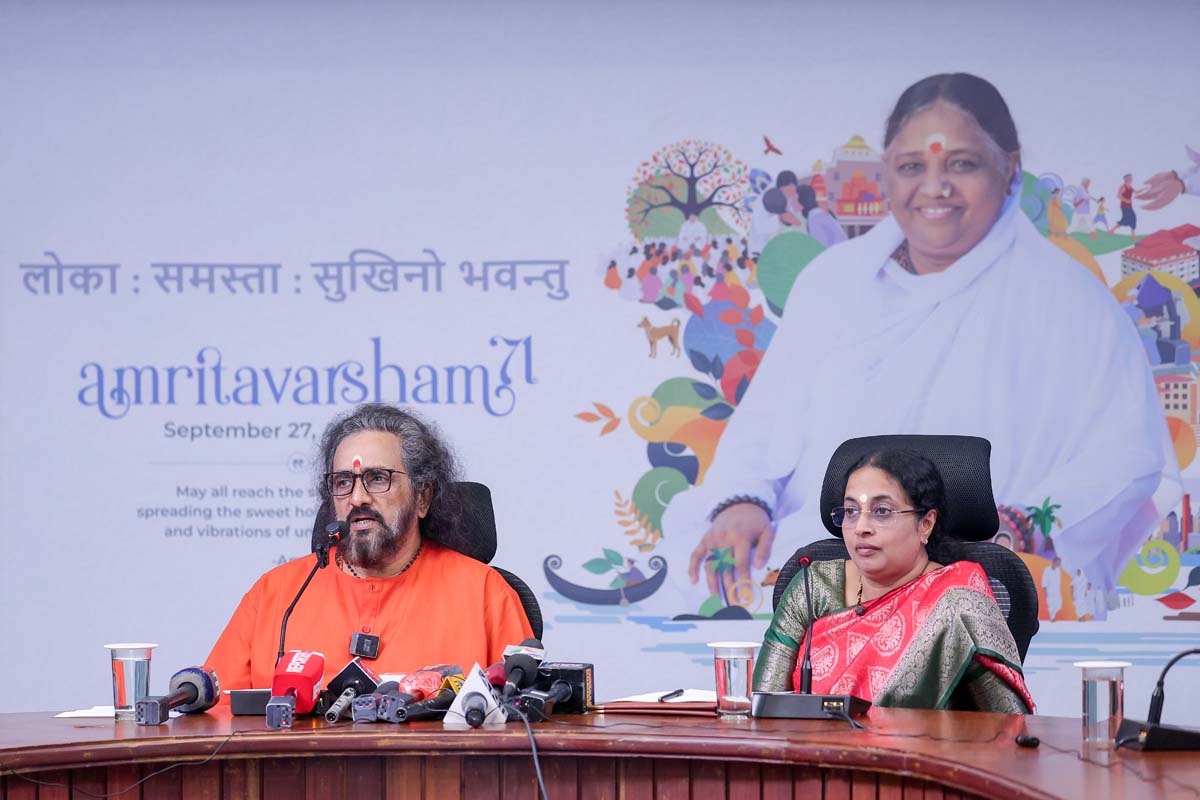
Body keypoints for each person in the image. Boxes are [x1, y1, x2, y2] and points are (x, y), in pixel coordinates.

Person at [661, 73, 1179, 612]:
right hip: (821, 581)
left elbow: (1128, 458)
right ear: (887, 172)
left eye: (962, 164)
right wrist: (742, 503)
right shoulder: (833, 282)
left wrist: (1012, 529)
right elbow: (760, 430)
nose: (935, 187)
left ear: (1010, 167)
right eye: (913, 166)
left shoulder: (1069, 301)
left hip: (977, 591)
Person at [205, 403, 533, 698]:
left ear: (422, 497)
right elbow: (213, 716)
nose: (358, 498)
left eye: (378, 478)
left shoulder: (485, 594)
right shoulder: (276, 596)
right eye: (344, 482)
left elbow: (521, 720)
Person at [753, 449, 1034, 712]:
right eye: (851, 512)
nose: (861, 528)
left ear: (925, 523)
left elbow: (1010, 726)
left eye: (882, 512)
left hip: (925, 760)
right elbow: (765, 707)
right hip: (813, 757)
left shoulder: (958, 601)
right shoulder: (812, 586)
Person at [1109, 173, 1137, 238]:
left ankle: (1111, 230)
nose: (1132, 179)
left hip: (1129, 206)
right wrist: (1126, 200)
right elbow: (1118, 196)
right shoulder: (1123, 187)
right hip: (1124, 206)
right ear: (1127, 179)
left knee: (1130, 218)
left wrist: (1146, 190)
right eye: (1130, 178)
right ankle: (1133, 235)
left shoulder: (1130, 187)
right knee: (1131, 218)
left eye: (1132, 178)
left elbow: (1137, 192)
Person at [1041, 557, 1064, 621]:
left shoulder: (1058, 570)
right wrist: (1045, 591)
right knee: (1051, 606)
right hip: (1050, 592)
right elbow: (1044, 581)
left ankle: (1053, 617)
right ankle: (1053, 619)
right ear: (1054, 562)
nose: (1059, 564)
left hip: (1057, 592)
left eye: (1060, 562)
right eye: (1058, 562)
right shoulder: (1047, 570)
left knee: (1058, 605)